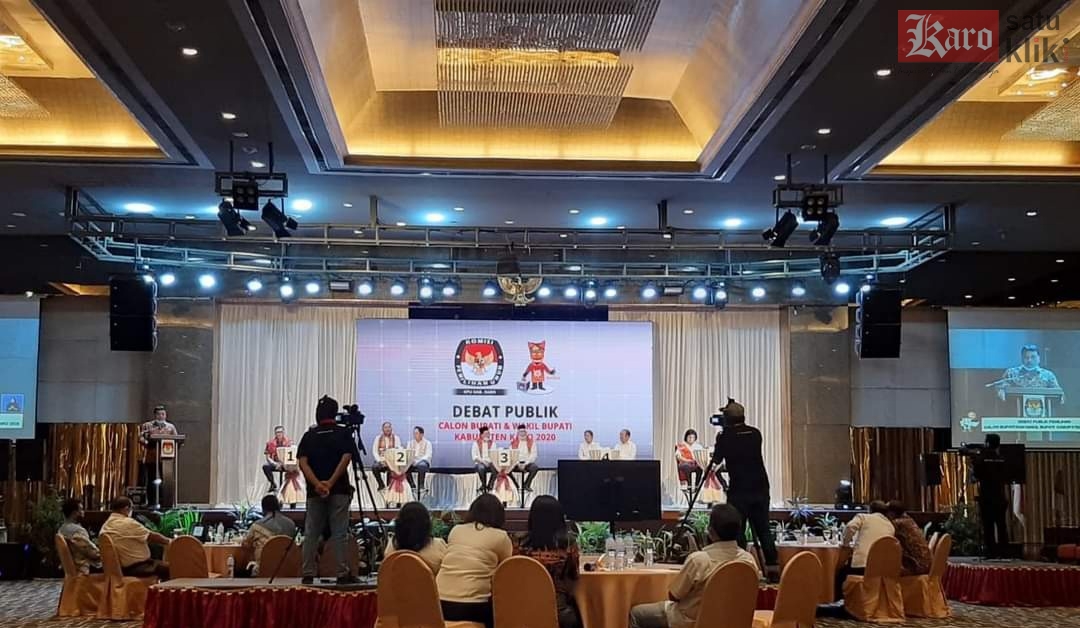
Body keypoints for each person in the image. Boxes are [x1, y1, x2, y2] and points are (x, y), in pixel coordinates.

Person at [629, 504, 759, 628]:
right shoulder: (748, 560)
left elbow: (674, 596)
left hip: (691, 621)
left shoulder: (699, 560)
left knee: (636, 613)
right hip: (733, 621)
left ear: (711, 531)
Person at [297, 395, 360, 584]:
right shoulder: (343, 433)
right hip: (339, 489)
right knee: (340, 532)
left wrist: (317, 484)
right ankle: (342, 573)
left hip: (314, 492)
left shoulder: (309, 435)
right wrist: (330, 483)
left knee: (311, 532)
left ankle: (308, 573)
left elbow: (303, 462)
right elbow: (346, 458)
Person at [710, 400, 777, 572]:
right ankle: (773, 568)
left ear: (727, 419)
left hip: (739, 490)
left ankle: (740, 567)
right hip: (761, 488)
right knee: (764, 529)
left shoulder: (725, 437)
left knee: (737, 530)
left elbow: (716, 459)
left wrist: (720, 438)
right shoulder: (755, 433)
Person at [436, 493, 512, 628]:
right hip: (472, 606)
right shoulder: (501, 537)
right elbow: (506, 572)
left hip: (438, 603)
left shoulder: (456, 530)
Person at [516, 495, 582, 628]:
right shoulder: (568, 544)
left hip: (523, 608)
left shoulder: (519, 544)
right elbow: (573, 575)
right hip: (558, 609)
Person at [99, 496, 170, 580]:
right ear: (126, 509)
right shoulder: (128, 523)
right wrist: (170, 541)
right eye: (131, 508)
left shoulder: (106, 525)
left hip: (121, 569)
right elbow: (151, 536)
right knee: (172, 568)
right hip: (137, 567)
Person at [836, 500, 895, 599]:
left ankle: (840, 602)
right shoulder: (890, 526)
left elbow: (850, 527)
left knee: (840, 572)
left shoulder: (863, 517)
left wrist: (846, 544)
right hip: (881, 570)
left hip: (862, 566)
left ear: (870, 510)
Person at [972, 433, 1010, 558]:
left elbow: (976, 475)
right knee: (1001, 525)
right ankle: (1004, 552)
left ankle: (991, 552)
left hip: (987, 497)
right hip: (1000, 497)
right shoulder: (1002, 459)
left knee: (988, 526)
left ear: (987, 443)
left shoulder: (982, 459)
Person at [241, 494, 297, 575]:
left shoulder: (256, 526)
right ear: (278, 506)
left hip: (263, 569)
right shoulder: (291, 524)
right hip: (287, 569)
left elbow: (246, 544)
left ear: (263, 509)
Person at [387, 501, 448, 574]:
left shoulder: (391, 546)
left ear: (399, 524)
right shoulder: (438, 545)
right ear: (426, 524)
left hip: (397, 581)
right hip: (429, 581)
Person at [138, 405, 178, 505]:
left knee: (166, 481)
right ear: (155, 415)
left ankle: (166, 502)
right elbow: (140, 437)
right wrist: (147, 442)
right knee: (151, 480)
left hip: (166, 458)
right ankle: (151, 502)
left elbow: (177, 439)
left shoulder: (170, 427)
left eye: (163, 414)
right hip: (152, 457)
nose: (161, 416)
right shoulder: (147, 426)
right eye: (159, 414)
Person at [997, 344, 1062, 402]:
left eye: (1033, 357)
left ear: (1039, 358)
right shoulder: (1011, 373)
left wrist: (1061, 397)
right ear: (1022, 358)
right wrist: (1001, 391)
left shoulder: (1048, 375)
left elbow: (1059, 394)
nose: (1029, 360)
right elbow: (1001, 388)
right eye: (1026, 357)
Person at [885, 500, 932, 576]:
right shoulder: (909, 520)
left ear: (891, 513)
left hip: (917, 567)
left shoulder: (898, 523)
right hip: (926, 564)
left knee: (884, 569)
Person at [59, 498, 102, 574]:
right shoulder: (78, 531)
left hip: (71, 567)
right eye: (81, 510)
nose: (83, 512)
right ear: (74, 513)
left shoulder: (61, 529)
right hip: (84, 568)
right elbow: (93, 553)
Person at [262, 425, 293, 493]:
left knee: (294, 468)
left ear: (283, 433)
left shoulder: (288, 442)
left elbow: (291, 456)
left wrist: (283, 463)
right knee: (265, 466)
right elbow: (268, 457)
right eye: (277, 432)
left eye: (280, 432)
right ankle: (273, 483)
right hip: (275, 463)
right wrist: (275, 464)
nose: (279, 434)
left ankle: (289, 487)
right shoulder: (270, 443)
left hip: (286, 463)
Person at [372, 422, 402, 491]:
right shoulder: (378, 438)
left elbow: (399, 450)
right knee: (375, 467)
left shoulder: (396, 438)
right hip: (381, 460)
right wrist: (380, 460)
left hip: (392, 461)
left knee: (392, 468)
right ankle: (381, 485)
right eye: (385, 427)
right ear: (382, 429)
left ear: (391, 428)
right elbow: (375, 451)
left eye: (389, 427)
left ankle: (389, 486)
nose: (387, 429)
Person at [510, 424, 540, 492]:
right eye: (521, 432)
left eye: (524, 432)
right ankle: (515, 485)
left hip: (527, 464)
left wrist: (525, 463)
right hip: (516, 464)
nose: (522, 434)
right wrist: (517, 463)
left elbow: (534, 455)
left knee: (534, 467)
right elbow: (512, 455)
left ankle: (526, 485)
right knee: (506, 469)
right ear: (518, 433)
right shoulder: (513, 443)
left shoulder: (531, 443)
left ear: (526, 433)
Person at [407, 426, 433, 493]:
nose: (414, 435)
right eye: (414, 433)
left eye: (416, 433)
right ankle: (412, 485)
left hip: (423, 461)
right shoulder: (410, 443)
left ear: (421, 434)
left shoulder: (427, 443)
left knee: (422, 465)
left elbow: (428, 455)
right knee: (404, 466)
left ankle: (421, 485)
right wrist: (412, 461)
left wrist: (418, 461)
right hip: (412, 462)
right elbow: (408, 453)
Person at [471, 426, 496, 492]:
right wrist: (483, 462)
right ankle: (484, 486)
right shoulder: (476, 443)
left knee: (497, 468)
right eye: (486, 434)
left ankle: (490, 485)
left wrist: (490, 462)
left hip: (490, 463)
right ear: (481, 435)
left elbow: (494, 455)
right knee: (481, 468)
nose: (487, 435)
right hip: (480, 463)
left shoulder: (492, 443)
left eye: (488, 433)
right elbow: (474, 457)